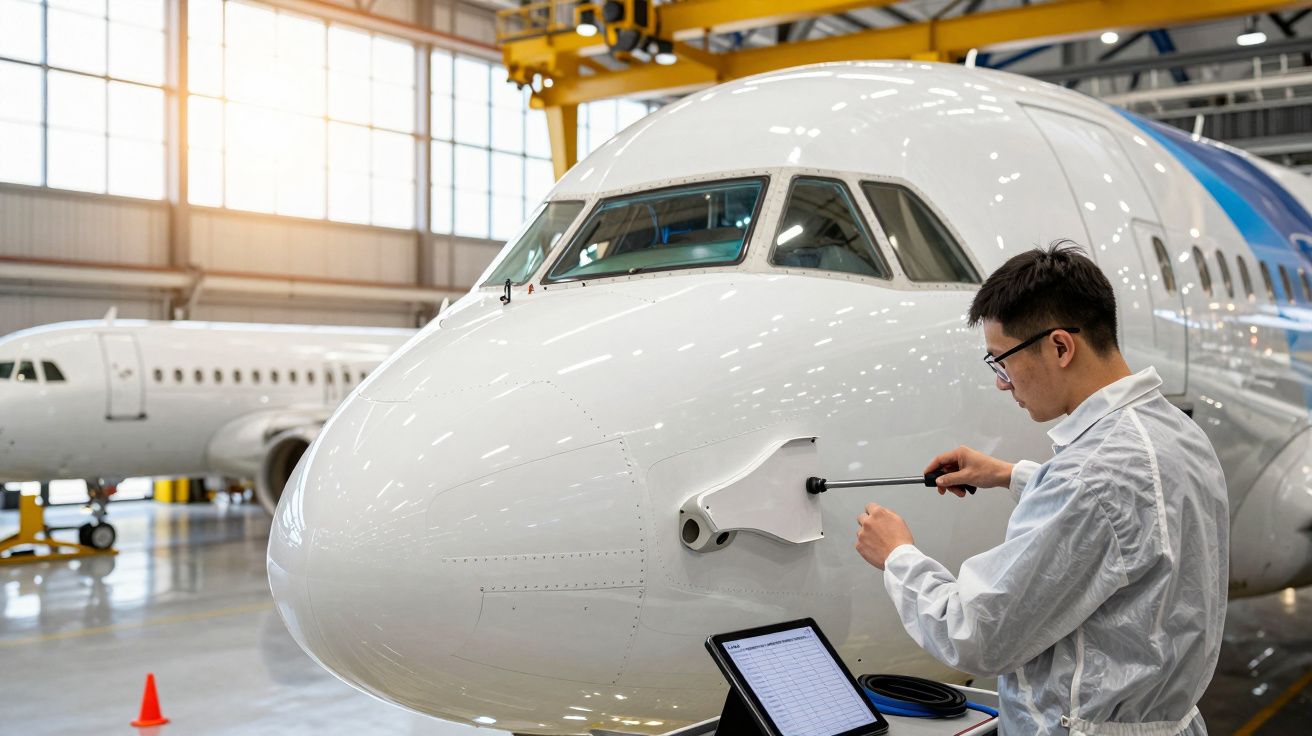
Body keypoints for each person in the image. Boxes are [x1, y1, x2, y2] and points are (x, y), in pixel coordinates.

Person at [854, 242, 1228, 735]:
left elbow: (976, 633)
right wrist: (1010, 474)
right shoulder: (1170, 431)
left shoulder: (1091, 477)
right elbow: (1135, 518)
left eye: (1000, 361)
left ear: (1059, 347)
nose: (1002, 384)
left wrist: (898, 556)